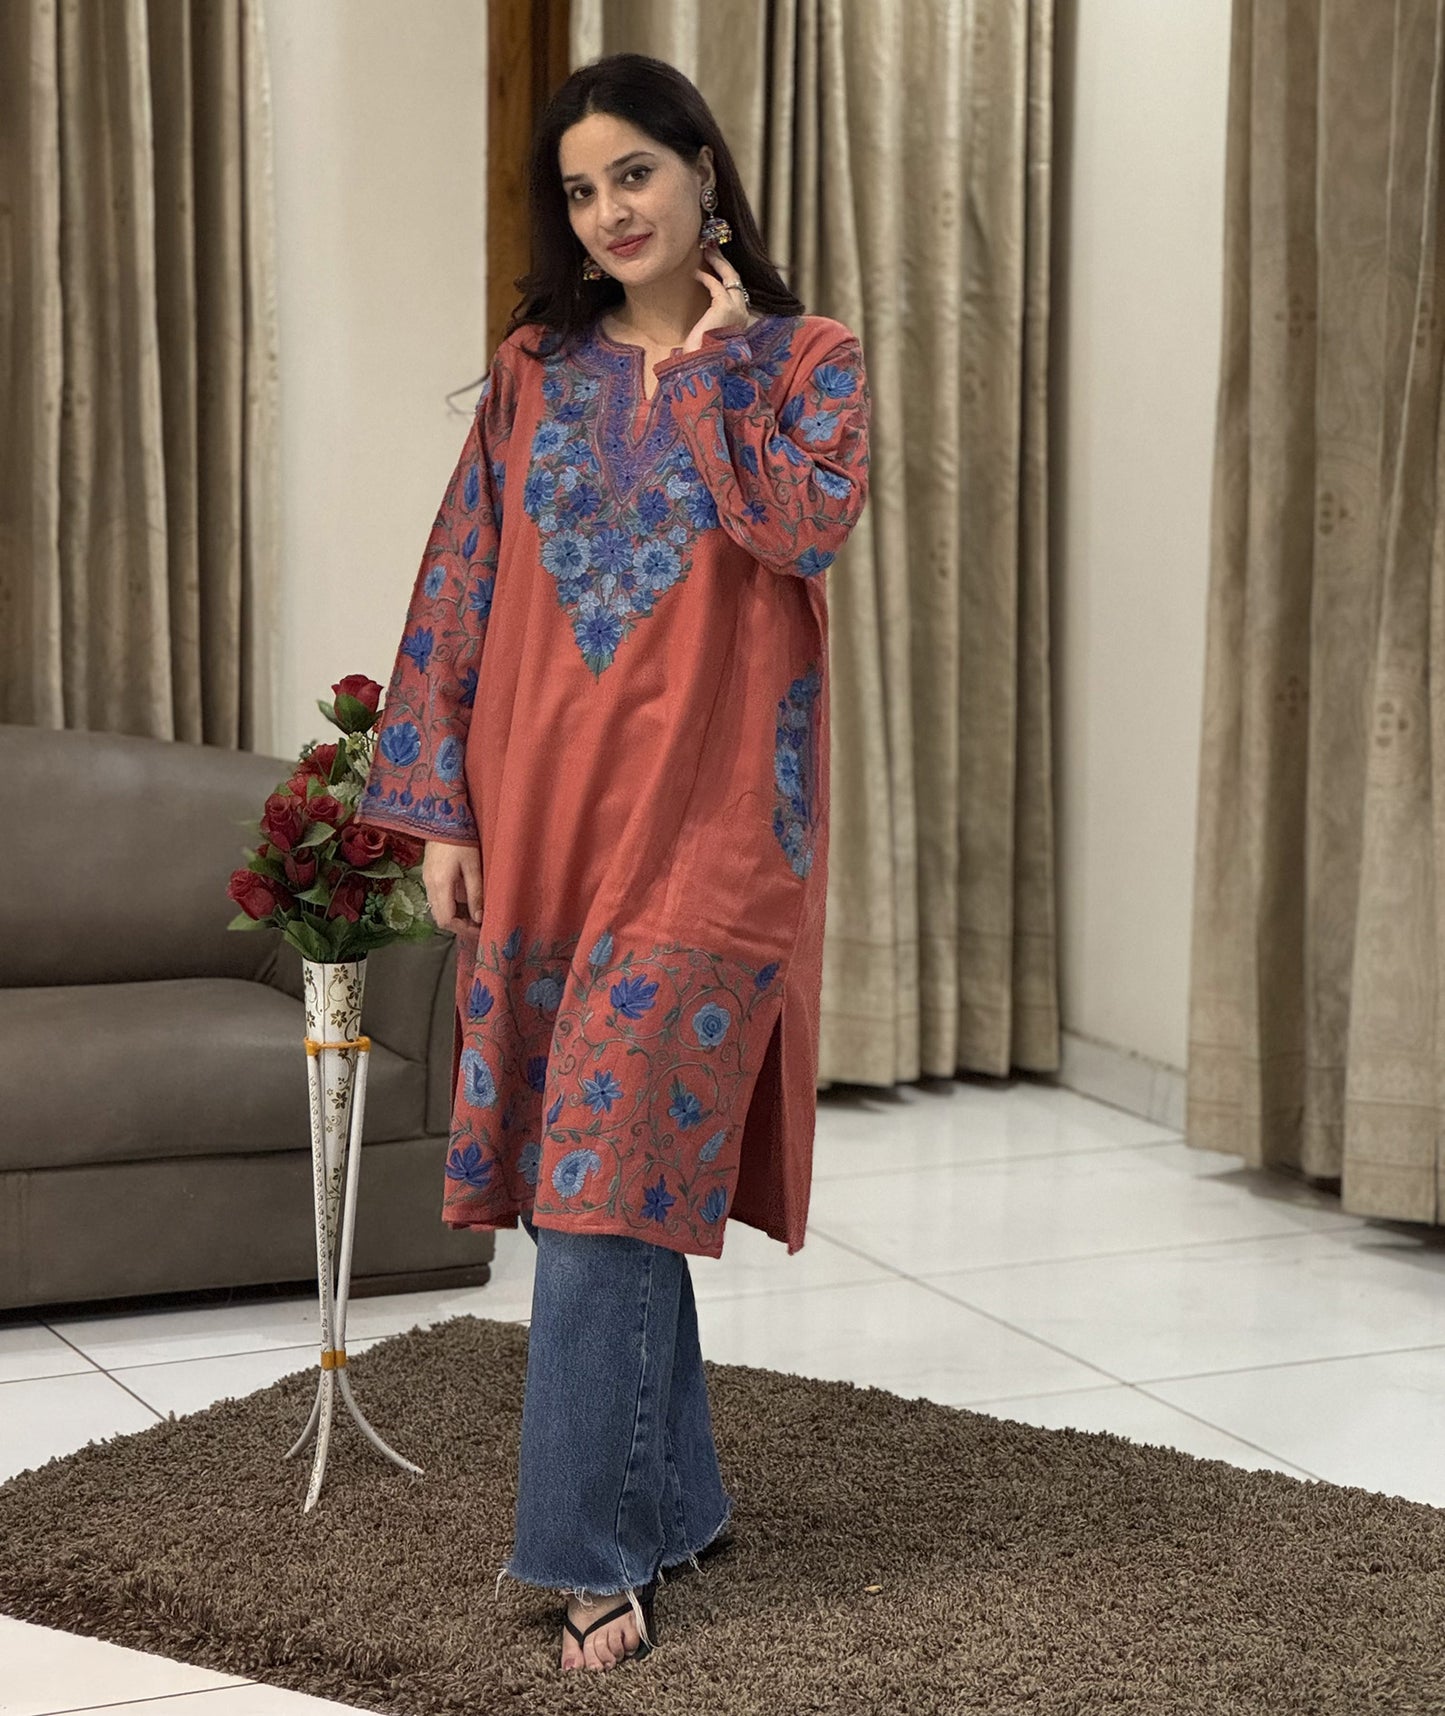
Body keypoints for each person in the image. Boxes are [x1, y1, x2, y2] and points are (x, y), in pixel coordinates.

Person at [357, 50, 871, 1675]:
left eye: (633, 173)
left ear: (701, 169)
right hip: (544, 823)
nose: (607, 212)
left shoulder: (806, 361)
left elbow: (802, 530)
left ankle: (588, 1557)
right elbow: (458, 581)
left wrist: (710, 377)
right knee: (602, 1183)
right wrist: (439, 809)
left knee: (595, 1188)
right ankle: (681, 1496)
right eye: (579, 192)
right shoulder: (536, 368)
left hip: (713, 838)